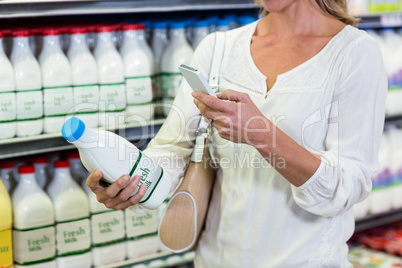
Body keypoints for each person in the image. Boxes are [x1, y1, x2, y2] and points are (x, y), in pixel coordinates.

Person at [86, 0, 387, 266]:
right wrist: (131, 182)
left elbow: (347, 187)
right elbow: (172, 150)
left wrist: (261, 134)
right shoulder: (218, 49)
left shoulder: (354, 54)